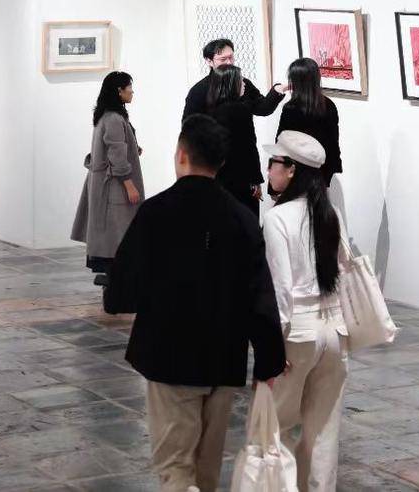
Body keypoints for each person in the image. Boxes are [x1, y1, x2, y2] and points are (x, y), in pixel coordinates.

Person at [104, 114, 286, 492]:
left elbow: (120, 290)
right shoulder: (241, 218)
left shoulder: (156, 213)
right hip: (223, 358)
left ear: (181, 155)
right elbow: (260, 296)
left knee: (175, 468)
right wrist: (268, 359)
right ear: (221, 162)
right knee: (207, 471)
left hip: (169, 358)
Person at [263, 130, 347, 491]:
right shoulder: (331, 215)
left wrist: (272, 347)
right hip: (334, 330)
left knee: (274, 428)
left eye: (274, 162)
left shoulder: (278, 218)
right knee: (324, 431)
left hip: (297, 332)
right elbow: (341, 273)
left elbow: (281, 289)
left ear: (292, 170)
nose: (269, 170)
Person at [71, 71, 144, 286]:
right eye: (129, 88)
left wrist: (134, 148)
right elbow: (116, 155)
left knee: (111, 233)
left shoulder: (107, 115)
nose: (132, 92)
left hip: (106, 183)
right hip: (114, 186)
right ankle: (116, 283)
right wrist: (129, 185)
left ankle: (113, 279)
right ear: (119, 91)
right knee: (118, 233)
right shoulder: (113, 118)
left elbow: (114, 148)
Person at [207, 64, 276, 215]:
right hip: (241, 179)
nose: (244, 83)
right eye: (240, 80)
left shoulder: (213, 109)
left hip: (220, 177)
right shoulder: (240, 110)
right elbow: (248, 148)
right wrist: (256, 180)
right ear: (231, 84)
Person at [182, 37, 285, 121]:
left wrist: (277, 91)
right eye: (223, 59)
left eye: (231, 57)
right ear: (209, 61)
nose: (229, 62)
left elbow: (262, 108)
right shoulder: (199, 90)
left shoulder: (244, 83)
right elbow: (190, 126)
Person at [276, 58, 342, 185]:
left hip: (296, 170)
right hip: (321, 169)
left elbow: (281, 141)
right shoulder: (328, 105)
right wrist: (332, 168)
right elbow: (333, 141)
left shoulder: (291, 108)